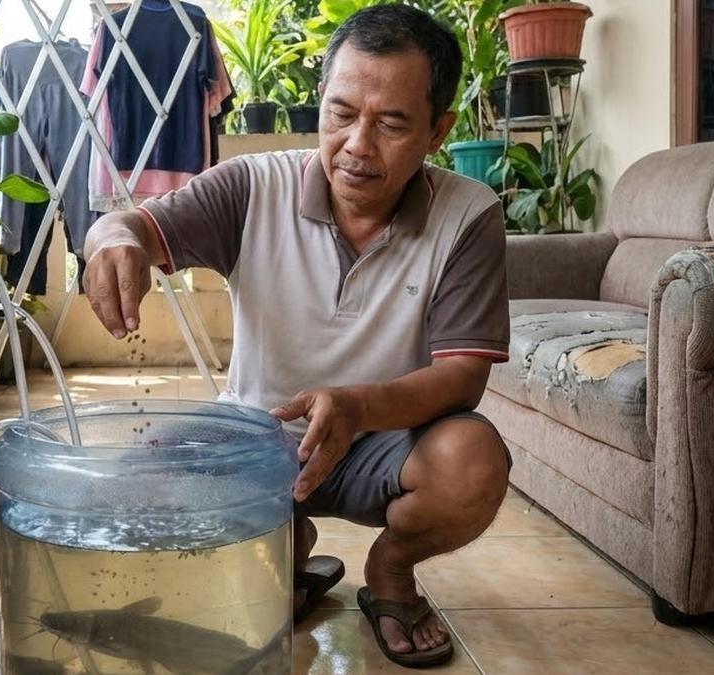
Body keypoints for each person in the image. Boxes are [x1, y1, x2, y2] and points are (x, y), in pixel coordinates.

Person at [81, 3, 511, 668]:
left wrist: (355, 407)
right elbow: (131, 225)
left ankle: (391, 571)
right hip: (260, 440)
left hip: (391, 443)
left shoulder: (469, 215)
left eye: (392, 123)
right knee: (144, 482)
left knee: (474, 463)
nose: (357, 145)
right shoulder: (254, 186)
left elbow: (462, 375)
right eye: (341, 113)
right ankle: (283, 547)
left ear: (437, 131)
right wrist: (111, 239)